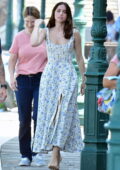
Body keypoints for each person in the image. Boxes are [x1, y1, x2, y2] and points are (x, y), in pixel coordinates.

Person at [31, 2, 85, 170]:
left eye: (64, 12)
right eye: (58, 11)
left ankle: (55, 152)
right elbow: (33, 43)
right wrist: (36, 26)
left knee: (64, 113)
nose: (61, 14)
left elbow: (80, 58)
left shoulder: (74, 33)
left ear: (68, 15)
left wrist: (84, 78)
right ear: (54, 13)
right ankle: (55, 151)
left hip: (68, 74)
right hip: (50, 76)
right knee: (49, 113)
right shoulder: (45, 32)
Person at [8, 6, 47, 166]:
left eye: (33, 22)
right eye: (27, 22)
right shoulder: (18, 37)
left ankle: (37, 153)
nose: (30, 25)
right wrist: (11, 77)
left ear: (37, 21)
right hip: (23, 80)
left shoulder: (44, 36)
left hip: (41, 79)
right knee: (24, 119)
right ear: (24, 20)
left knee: (38, 116)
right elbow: (12, 60)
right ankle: (25, 155)